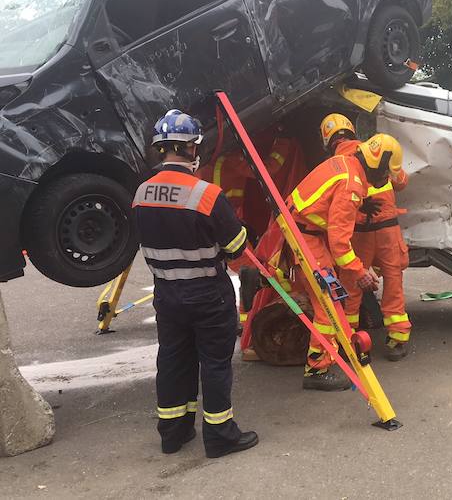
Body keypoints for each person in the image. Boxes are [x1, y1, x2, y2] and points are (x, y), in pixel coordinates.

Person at [133, 109, 258, 459]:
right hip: (207, 294)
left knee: (173, 360)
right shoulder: (206, 194)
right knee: (214, 364)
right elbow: (235, 247)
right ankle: (220, 436)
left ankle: (173, 433)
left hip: (166, 293)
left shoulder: (141, 193)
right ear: (190, 149)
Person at [286, 133, 399, 390]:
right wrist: (359, 271)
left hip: (303, 230)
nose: (383, 181)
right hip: (307, 237)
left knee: (326, 295)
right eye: (385, 174)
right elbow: (339, 242)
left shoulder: (346, 163)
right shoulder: (352, 184)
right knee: (329, 302)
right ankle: (316, 371)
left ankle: (259, 279)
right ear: (378, 165)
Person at [321, 123, 414, 361]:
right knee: (393, 279)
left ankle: (349, 338)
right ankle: (398, 338)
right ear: (354, 131)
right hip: (387, 229)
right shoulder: (379, 151)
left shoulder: (339, 160)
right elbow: (402, 182)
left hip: (359, 231)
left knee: (353, 282)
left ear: (328, 141)